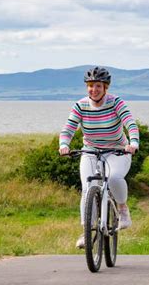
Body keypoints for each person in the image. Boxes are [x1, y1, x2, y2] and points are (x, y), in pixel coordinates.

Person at [59, 66, 139, 249]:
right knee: (88, 189)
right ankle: (87, 230)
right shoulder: (80, 105)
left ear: (106, 88)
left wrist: (133, 143)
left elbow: (130, 124)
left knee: (113, 178)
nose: (93, 90)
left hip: (117, 150)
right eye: (90, 86)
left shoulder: (116, 103)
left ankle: (122, 209)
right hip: (90, 151)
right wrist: (64, 145)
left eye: (98, 86)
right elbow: (68, 128)